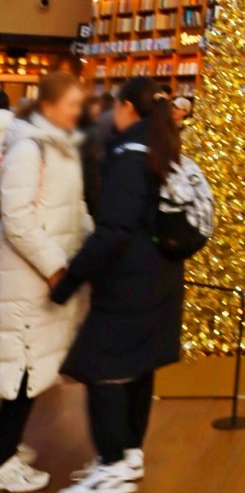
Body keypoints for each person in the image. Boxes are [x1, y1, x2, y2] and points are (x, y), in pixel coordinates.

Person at [51, 78, 184, 493]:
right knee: (137, 368)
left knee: (102, 369)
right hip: (161, 278)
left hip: (128, 285)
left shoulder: (130, 157)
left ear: (126, 108)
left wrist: (69, 280)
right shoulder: (165, 150)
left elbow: (113, 232)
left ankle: (112, 468)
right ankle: (128, 455)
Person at [0, 73, 89, 493]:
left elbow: (74, 208)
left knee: (27, 373)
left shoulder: (61, 147)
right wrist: (56, 267)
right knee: (18, 373)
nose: (79, 112)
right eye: (72, 104)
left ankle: (7, 448)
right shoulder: (28, 147)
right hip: (27, 280)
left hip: (43, 281)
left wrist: (93, 244)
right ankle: (2, 461)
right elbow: (16, 218)